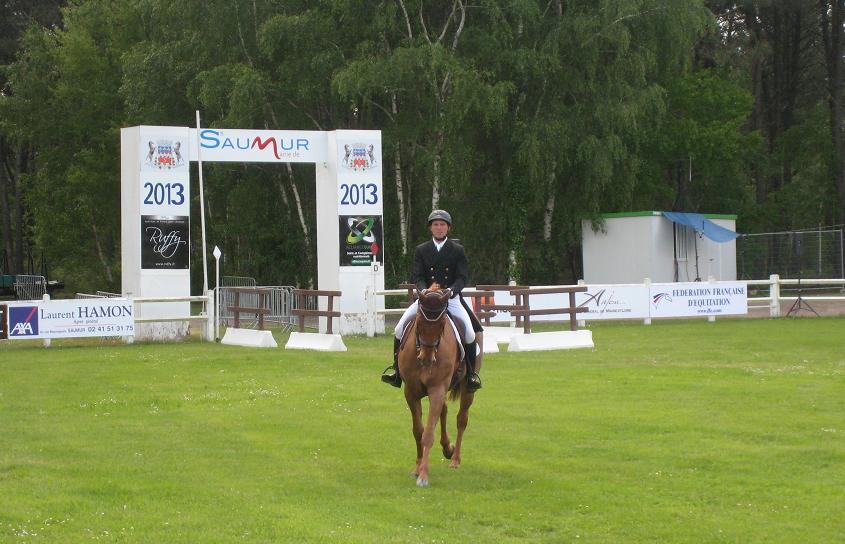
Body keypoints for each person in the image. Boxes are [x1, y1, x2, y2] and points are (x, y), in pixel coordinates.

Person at [381, 209, 482, 391]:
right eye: (435, 224)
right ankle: (396, 372)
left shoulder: (457, 250)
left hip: (450, 299)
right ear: (431, 228)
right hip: (427, 299)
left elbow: (462, 277)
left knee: (469, 333)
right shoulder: (421, 250)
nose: (439, 227)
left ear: (448, 228)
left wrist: (451, 291)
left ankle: (471, 377)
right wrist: (424, 291)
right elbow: (418, 275)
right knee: (398, 329)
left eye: (442, 224)